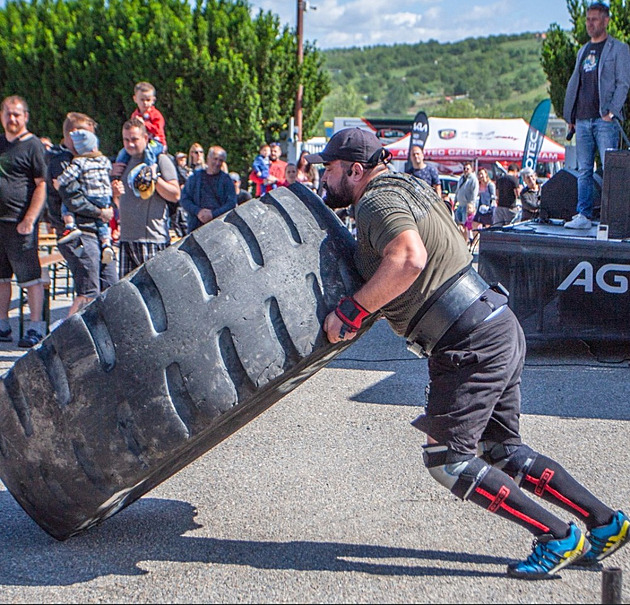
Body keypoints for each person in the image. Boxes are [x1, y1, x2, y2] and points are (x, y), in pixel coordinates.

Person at [307, 127, 629, 580]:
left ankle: (558, 537)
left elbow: (408, 259)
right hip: (495, 323)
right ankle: (605, 523)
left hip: (467, 342)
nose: (325, 177)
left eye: (331, 169)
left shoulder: (376, 201)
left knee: (448, 460)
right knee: (502, 451)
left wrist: (354, 311)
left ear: (355, 170)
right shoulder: (409, 186)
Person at [563, 1, 630, 230]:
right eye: (588, 19)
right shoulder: (583, 50)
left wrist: (611, 111)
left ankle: (611, 217)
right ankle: (583, 214)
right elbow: (577, 84)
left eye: (594, 19)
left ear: (606, 20)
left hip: (604, 120)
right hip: (582, 119)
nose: (590, 24)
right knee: (584, 169)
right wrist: (570, 114)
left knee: (610, 169)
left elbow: (623, 83)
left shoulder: (618, 49)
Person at [48, 112, 118, 317]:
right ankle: (66, 342)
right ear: (72, 135)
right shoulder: (62, 163)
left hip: (97, 231)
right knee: (88, 291)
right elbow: (72, 198)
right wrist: (101, 212)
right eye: (86, 135)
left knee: (110, 285)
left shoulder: (90, 160)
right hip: (78, 233)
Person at [0, 95, 47, 347]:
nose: (12, 118)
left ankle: (35, 326)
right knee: (1, 278)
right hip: (0, 223)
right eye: (8, 113)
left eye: (17, 114)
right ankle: (2, 324)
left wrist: (30, 218)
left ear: (26, 116)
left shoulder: (33, 146)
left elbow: (41, 186)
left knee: (30, 277)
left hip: (20, 223)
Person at [110, 118, 180, 276]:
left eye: (134, 139)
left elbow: (175, 195)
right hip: (127, 239)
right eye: (126, 140)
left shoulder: (160, 160)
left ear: (146, 138)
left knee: (154, 293)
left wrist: (154, 178)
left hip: (152, 240)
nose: (130, 144)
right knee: (128, 296)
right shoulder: (122, 163)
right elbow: (121, 202)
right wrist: (115, 194)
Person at [54, 129, 116, 264]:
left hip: (90, 195)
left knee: (66, 204)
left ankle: (70, 226)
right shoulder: (104, 161)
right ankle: (106, 243)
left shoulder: (80, 162)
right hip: (105, 196)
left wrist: (58, 182)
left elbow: (68, 176)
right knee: (103, 223)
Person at [180, 146, 237, 232]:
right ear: (208, 158)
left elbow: (231, 203)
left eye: (220, 160)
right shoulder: (195, 178)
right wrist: (198, 212)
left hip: (219, 227)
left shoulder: (226, 180)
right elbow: (184, 199)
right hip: (196, 226)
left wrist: (213, 214)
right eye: (215, 159)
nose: (217, 163)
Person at [114, 81, 167, 173]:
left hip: (156, 142)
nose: (145, 103)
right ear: (135, 99)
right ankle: (118, 174)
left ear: (153, 100)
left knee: (148, 151)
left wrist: (144, 124)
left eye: (148, 100)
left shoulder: (156, 115)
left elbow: (158, 129)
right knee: (123, 153)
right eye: (142, 100)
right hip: (141, 142)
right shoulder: (135, 115)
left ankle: (149, 171)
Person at [453, 162, 478, 241]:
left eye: (468, 168)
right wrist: (455, 200)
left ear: (471, 169)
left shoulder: (473, 179)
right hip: (460, 205)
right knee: (460, 224)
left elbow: (474, 193)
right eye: (464, 168)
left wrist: (471, 205)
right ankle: (463, 240)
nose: (466, 170)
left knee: (466, 226)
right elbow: (458, 190)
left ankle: (467, 241)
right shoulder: (461, 178)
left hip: (467, 206)